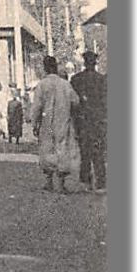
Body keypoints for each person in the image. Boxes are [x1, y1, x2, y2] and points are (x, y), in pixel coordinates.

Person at [31, 55, 81, 194]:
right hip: (63, 121)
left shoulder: (42, 85)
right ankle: (61, 182)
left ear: (45, 68)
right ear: (56, 67)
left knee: (47, 149)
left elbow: (36, 107)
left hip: (46, 123)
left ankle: (49, 181)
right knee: (62, 148)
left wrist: (34, 123)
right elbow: (75, 101)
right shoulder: (65, 84)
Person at [71, 50, 107, 193]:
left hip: (82, 121)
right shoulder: (102, 80)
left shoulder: (76, 79)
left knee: (84, 151)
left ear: (84, 62)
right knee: (98, 151)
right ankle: (101, 182)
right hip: (98, 121)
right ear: (95, 62)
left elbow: (73, 103)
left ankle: (86, 181)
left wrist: (74, 121)